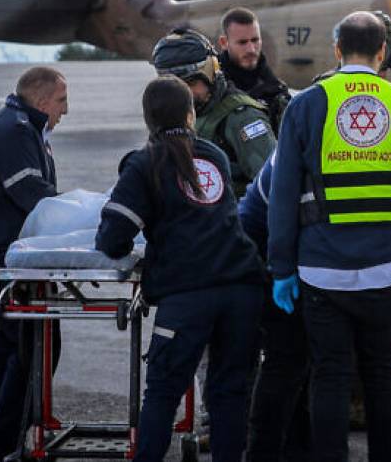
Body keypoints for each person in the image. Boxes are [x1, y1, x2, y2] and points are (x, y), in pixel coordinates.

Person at [266, 11, 391, 462]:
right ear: (382, 53)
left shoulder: (307, 104)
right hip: (389, 270)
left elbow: (281, 197)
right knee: (381, 375)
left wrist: (281, 269)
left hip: (320, 272)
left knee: (329, 375)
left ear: (336, 51)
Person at [95, 76, 265, 462]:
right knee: (230, 393)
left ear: (147, 120)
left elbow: (112, 237)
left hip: (189, 297)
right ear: (191, 115)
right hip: (243, 288)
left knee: (163, 392)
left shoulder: (144, 164)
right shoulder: (214, 156)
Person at [0, 66, 67, 462]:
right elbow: (32, 195)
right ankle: (2, 443)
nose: (65, 110)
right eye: (61, 101)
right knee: (31, 348)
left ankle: (1, 439)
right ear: (41, 101)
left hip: (2, 251)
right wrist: (80, 216)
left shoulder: (22, 126)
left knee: (8, 350)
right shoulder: (14, 130)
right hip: (1, 256)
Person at [238, 153, 313, 462]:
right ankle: (266, 452)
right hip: (268, 251)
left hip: (289, 251)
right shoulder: (301, 140)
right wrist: (282, 271)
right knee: (287, 360)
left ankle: (296, 449)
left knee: (302, 362)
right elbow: (275, 213)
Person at [153, 28, 276, 197]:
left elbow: (275, 184)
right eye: (175, 85)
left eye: (191, 82)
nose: (183, 93)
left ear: (212, 71)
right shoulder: (175, 117)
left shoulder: (242, 118)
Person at [217, 7, 292, 130]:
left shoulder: (276, 90)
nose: (251, 49)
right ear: (224, 42)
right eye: (242, 42)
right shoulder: (212, 88)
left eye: (255, 40)